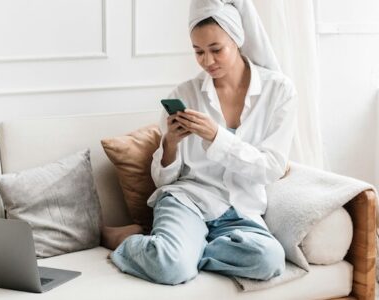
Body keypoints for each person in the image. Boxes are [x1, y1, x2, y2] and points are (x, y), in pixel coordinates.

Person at [101, 0, 297, 285]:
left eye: (216, 50)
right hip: (187, 200)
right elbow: (164, 180)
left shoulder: (279, 91)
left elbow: (272, 168)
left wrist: (216, 136)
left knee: (268, 259)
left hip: (240, 209)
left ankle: (182, 251)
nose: (207, 61)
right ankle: (132, 242)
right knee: (171, 268)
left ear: (238, 40)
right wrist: (169, 144)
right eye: (198, 52)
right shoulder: (185, 93)